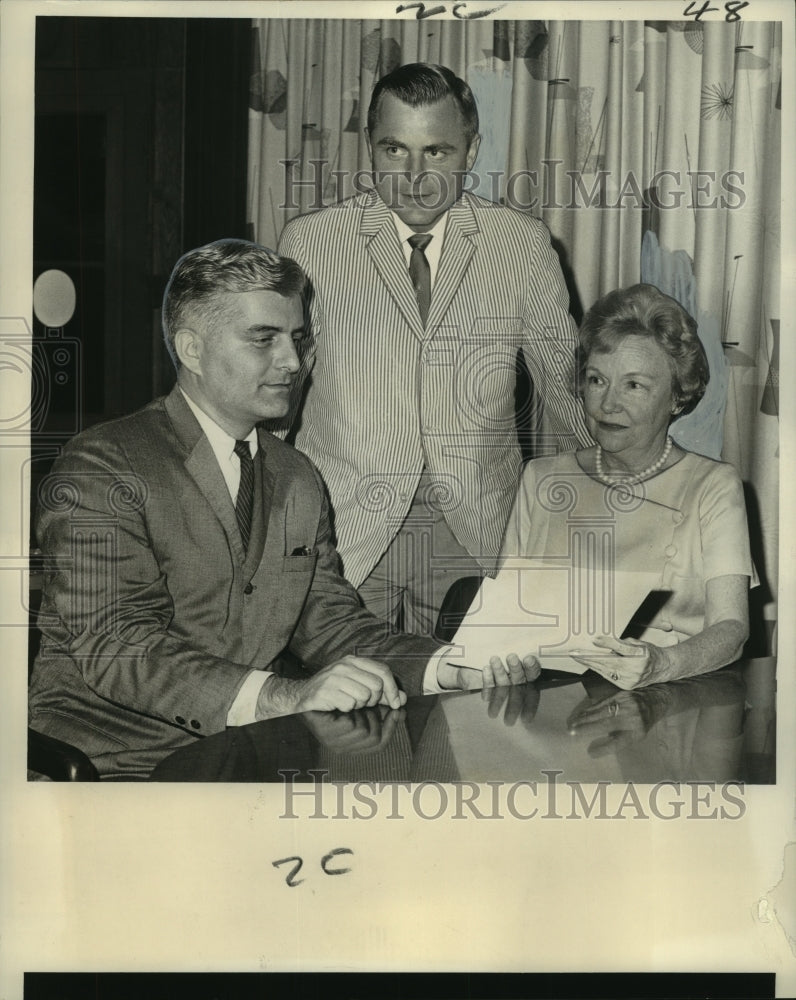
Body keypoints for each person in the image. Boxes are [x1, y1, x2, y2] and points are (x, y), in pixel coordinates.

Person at [28, 240, 537, 779]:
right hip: (119, 773)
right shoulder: (103, 467)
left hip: (254, 761)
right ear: (192, 349)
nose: (293, 362)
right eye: (262, 339)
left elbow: (336, 628)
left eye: (297, 338)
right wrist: (281, 696)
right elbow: (119, 646)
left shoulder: (296, 476)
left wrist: (451, 667)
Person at [277, 62, 592, 637]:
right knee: (342, 715)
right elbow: (281, 390)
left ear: (471, 151)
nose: (415, 176)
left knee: (464, 721)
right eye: (395, 150)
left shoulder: (521, 245)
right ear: (370, 147)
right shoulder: (312, 242)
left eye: (438, 152)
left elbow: (565, 386)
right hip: (345, 534)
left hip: (474, 537)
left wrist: (626, 484)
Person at [496, 283, 754, 689]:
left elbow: (732, 628)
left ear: (676, 397)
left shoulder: (712, 486)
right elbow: (505, 621)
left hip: (667, 701)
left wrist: (663, 664)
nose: (608, 404)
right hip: (551, 709)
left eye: (634, 385)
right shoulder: (540, 479)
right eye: (597, 380)